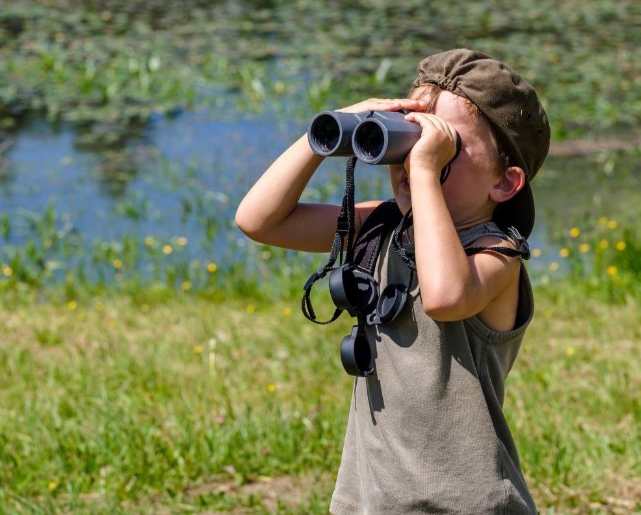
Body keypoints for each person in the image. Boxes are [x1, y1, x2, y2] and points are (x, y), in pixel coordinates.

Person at [235, 48, 550, 514]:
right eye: (408, 137)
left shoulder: (496, 254)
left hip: (468, 503)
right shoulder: (384, 228)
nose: (414, 157)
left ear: (505, 183)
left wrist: (423, 170)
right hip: (371, 496)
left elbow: (445, 297)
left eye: (447, 146)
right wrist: (327, 131)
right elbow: (259, 220)